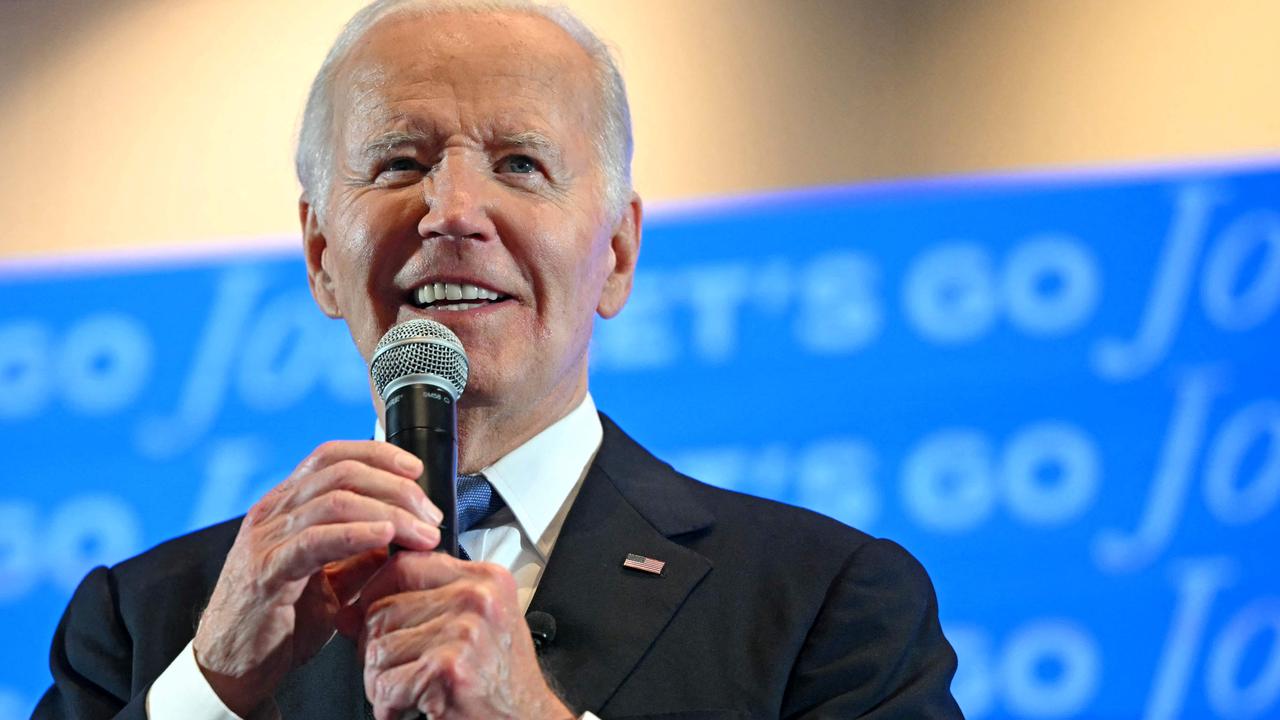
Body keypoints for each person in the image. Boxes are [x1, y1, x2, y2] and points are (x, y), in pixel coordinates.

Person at [34, 1, 963, 718]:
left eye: (520, 164)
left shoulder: (825, 607)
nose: (451, 212)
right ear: (321, 256)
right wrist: (211, 688)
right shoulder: (150, 625)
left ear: (618, 254)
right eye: (399, 163)